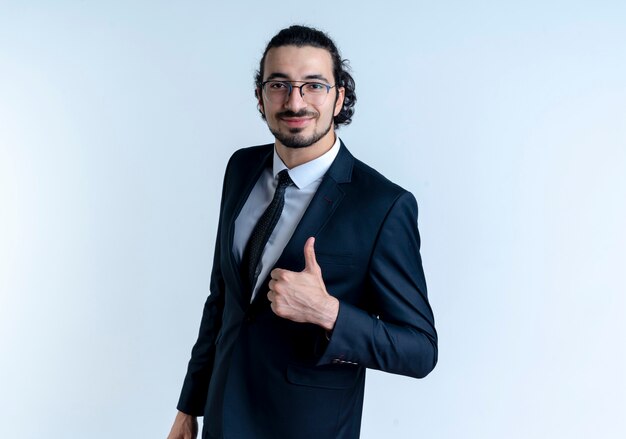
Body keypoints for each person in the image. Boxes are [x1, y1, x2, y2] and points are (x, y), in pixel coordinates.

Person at [167, 25, 437, 439]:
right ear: (260, 96)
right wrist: (189, 407)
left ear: (339, 97)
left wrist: (328, 313)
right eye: (279, 84)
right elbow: (222, 298)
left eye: (313, 85)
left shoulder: (382, 205)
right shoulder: (241, 168)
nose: (295, 101)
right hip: (222, 420)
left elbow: (420, 349)